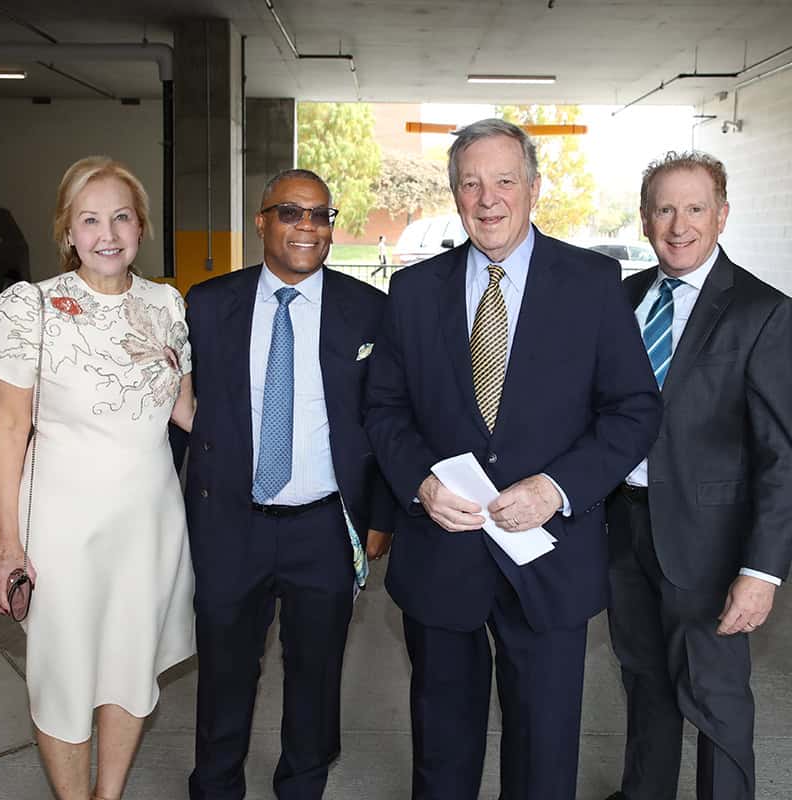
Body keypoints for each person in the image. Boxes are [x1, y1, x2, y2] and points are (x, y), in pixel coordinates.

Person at [364, 117, 663, 800]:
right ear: (455, 193)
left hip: (549, 558)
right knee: (441, 752)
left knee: (544, 755)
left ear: (533, 188)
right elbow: (383, 410)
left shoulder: (592, 282)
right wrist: (421, 482)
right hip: (443, 556)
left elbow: (634, 409)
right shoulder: (414, 292)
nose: (488, 198)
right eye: (471, 183)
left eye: (504, 180)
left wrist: (559, 487)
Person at [179, 168, 394, 800]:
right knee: (223, 674)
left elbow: (386, 421)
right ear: (261, 221)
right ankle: (215, 788)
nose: (308, 226)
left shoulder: (370, 311)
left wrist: (380, 516)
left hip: (324, 528)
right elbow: (175, 409)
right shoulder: (208, 303)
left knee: (316, 676)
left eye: (321, 215)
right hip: (230, 526)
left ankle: (302, 786)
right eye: (291, 213)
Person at [0, 155, 196, 800]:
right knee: (64, 674)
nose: (107, 233)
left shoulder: (167, 303)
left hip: (150, 523)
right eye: (90, 220)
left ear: (140, 227)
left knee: (131, 668)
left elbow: (190, 413)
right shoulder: (31, 308)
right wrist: (6, 544)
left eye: (121, 217)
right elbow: (7, 428)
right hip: (61, 527)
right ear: (68, 231)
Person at [604, 151, 792, 800]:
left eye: (694, 208)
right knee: (643, 683)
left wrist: (762, 572)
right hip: (623, 530)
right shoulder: (623, 299)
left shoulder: (763, 312)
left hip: (711, 546)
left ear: (722, 215)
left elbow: (782, 455)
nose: (678, 225)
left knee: (716, 702)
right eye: (664, 208)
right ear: (644, 218)